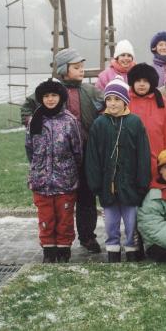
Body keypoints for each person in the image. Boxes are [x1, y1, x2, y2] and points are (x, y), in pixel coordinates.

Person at [21, 48, 102, 254]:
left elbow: (106, 107)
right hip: (59, 160)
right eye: (76, 67)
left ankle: (87, 236)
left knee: (86, 199)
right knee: (59, 203)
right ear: (64, 70)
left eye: (82, 67)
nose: (81, 71)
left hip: (86, 154)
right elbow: (28, 107)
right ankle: (55, 240)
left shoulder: (90, 91)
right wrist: (35, 125)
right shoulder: (52, 91)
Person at [85, 76, 151, 263]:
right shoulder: (99, 124)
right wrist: (95, 183)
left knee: (131, 222)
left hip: (131, 186)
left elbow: (143, 154)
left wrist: (142, 182)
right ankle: (113, 251)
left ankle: (131, 249)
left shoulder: (134, 123)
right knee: (111, 223)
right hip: (107, 186)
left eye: (117, 99)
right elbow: (92, 157)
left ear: (125, 101)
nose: (112, 104)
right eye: (109, 99)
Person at [25, 78, 83, 263]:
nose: (50, 99)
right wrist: (38, 168)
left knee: (64, 218)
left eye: (54, 95)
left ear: (61, 97)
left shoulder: (69, 121)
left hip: (64, 181)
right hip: (41, 181)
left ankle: (64, 250)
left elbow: (77, 150)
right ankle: (48, 251)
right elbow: (29, 148)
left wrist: (70, 170)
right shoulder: (35, 120)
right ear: (41, 98)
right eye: (46, 96)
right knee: (46, 218)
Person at [127, 62, 166, 179]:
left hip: (157, 160)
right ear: (132, 82)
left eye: (145, 81)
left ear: (151, 83)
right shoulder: (125, 101)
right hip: (130, 160)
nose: (142, 84)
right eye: (138, 81)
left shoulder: (162, 102)